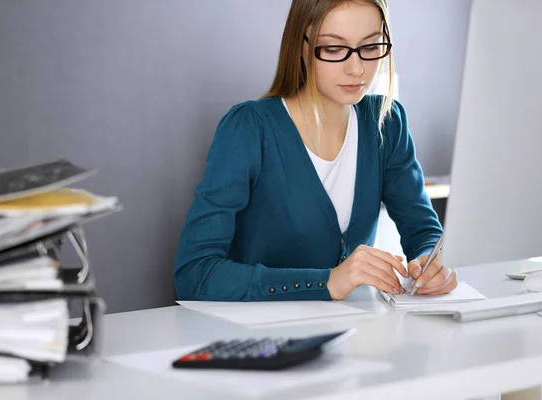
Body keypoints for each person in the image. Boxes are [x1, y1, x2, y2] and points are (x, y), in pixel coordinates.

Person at [174, 0, 457, 302]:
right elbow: (195, 274)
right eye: (334, 49)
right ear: (300, 44)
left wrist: (429, 264)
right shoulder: (249, 128)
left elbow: (423, 230)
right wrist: (327, 282)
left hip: (349, 335)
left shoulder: (386, 123)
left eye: (371, 46)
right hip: (262, 339)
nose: (357, 68)